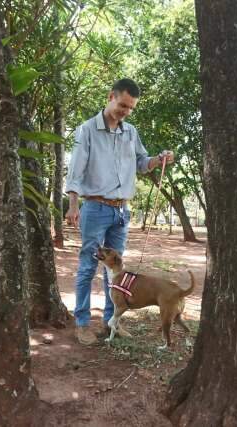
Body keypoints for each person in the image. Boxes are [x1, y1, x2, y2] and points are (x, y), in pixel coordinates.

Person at [65, 78, 174, 345]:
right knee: (88, 267)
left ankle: (110, 321)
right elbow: (75, 171)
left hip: (121, 211)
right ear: (111, 96)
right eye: (123, 104)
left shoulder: (131, 132)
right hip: (95, 207)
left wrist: (158, 160)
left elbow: (141, 163)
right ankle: (81, 324)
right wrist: (72, 205)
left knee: (115, 271)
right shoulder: (87, 130)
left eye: (131, 108)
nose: (126, 111)